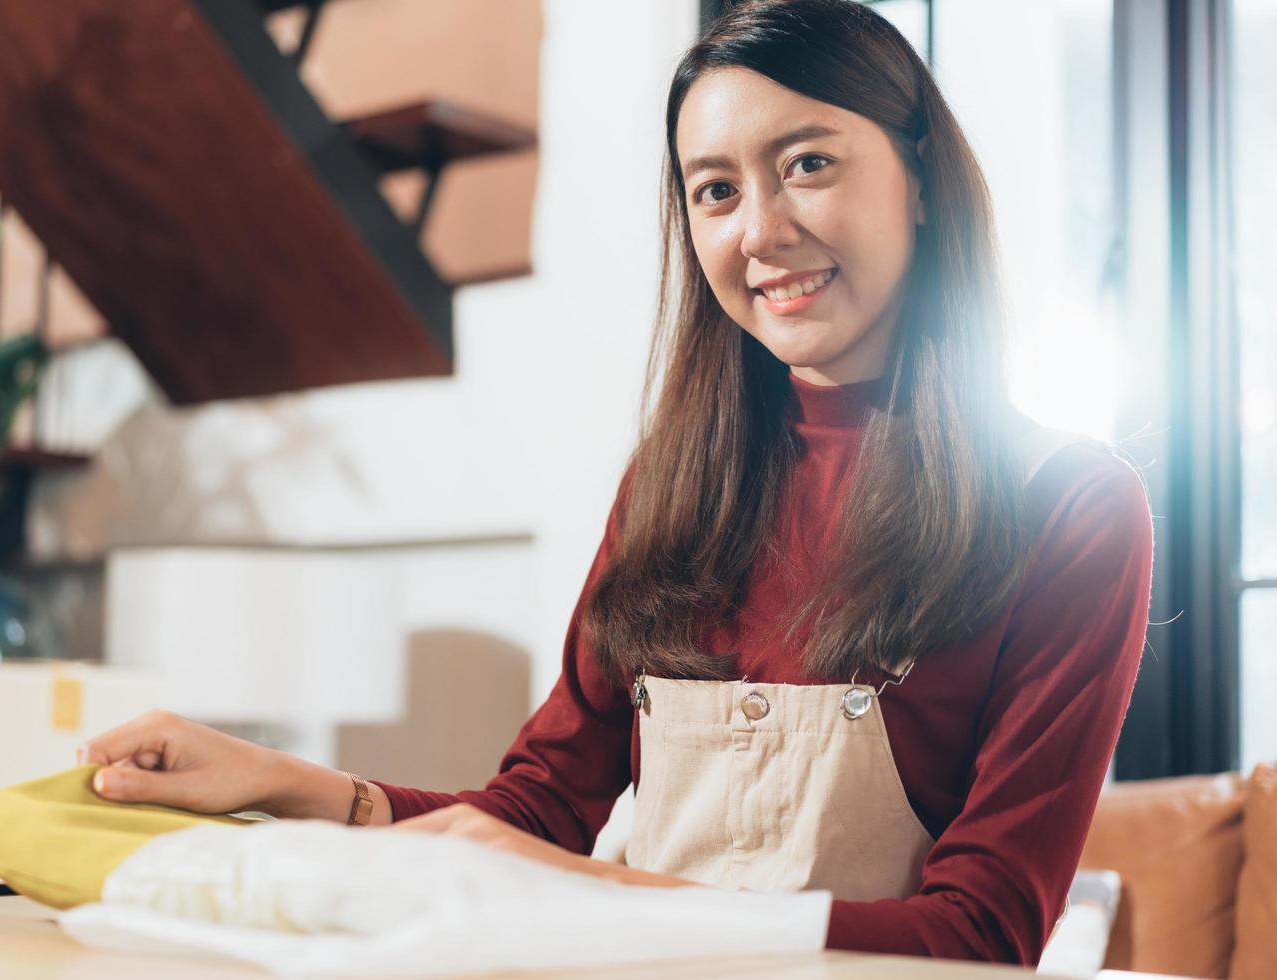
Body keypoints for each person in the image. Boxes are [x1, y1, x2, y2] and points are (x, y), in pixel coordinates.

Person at [77, 0, 1154, 965]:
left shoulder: (1071, 510)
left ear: (919, 177)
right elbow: (537, 808)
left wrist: (574, 883)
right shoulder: (673, 488)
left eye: (809, 164)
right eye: (716, 189)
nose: (760, 231)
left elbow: (983, 932)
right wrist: (278, 781)